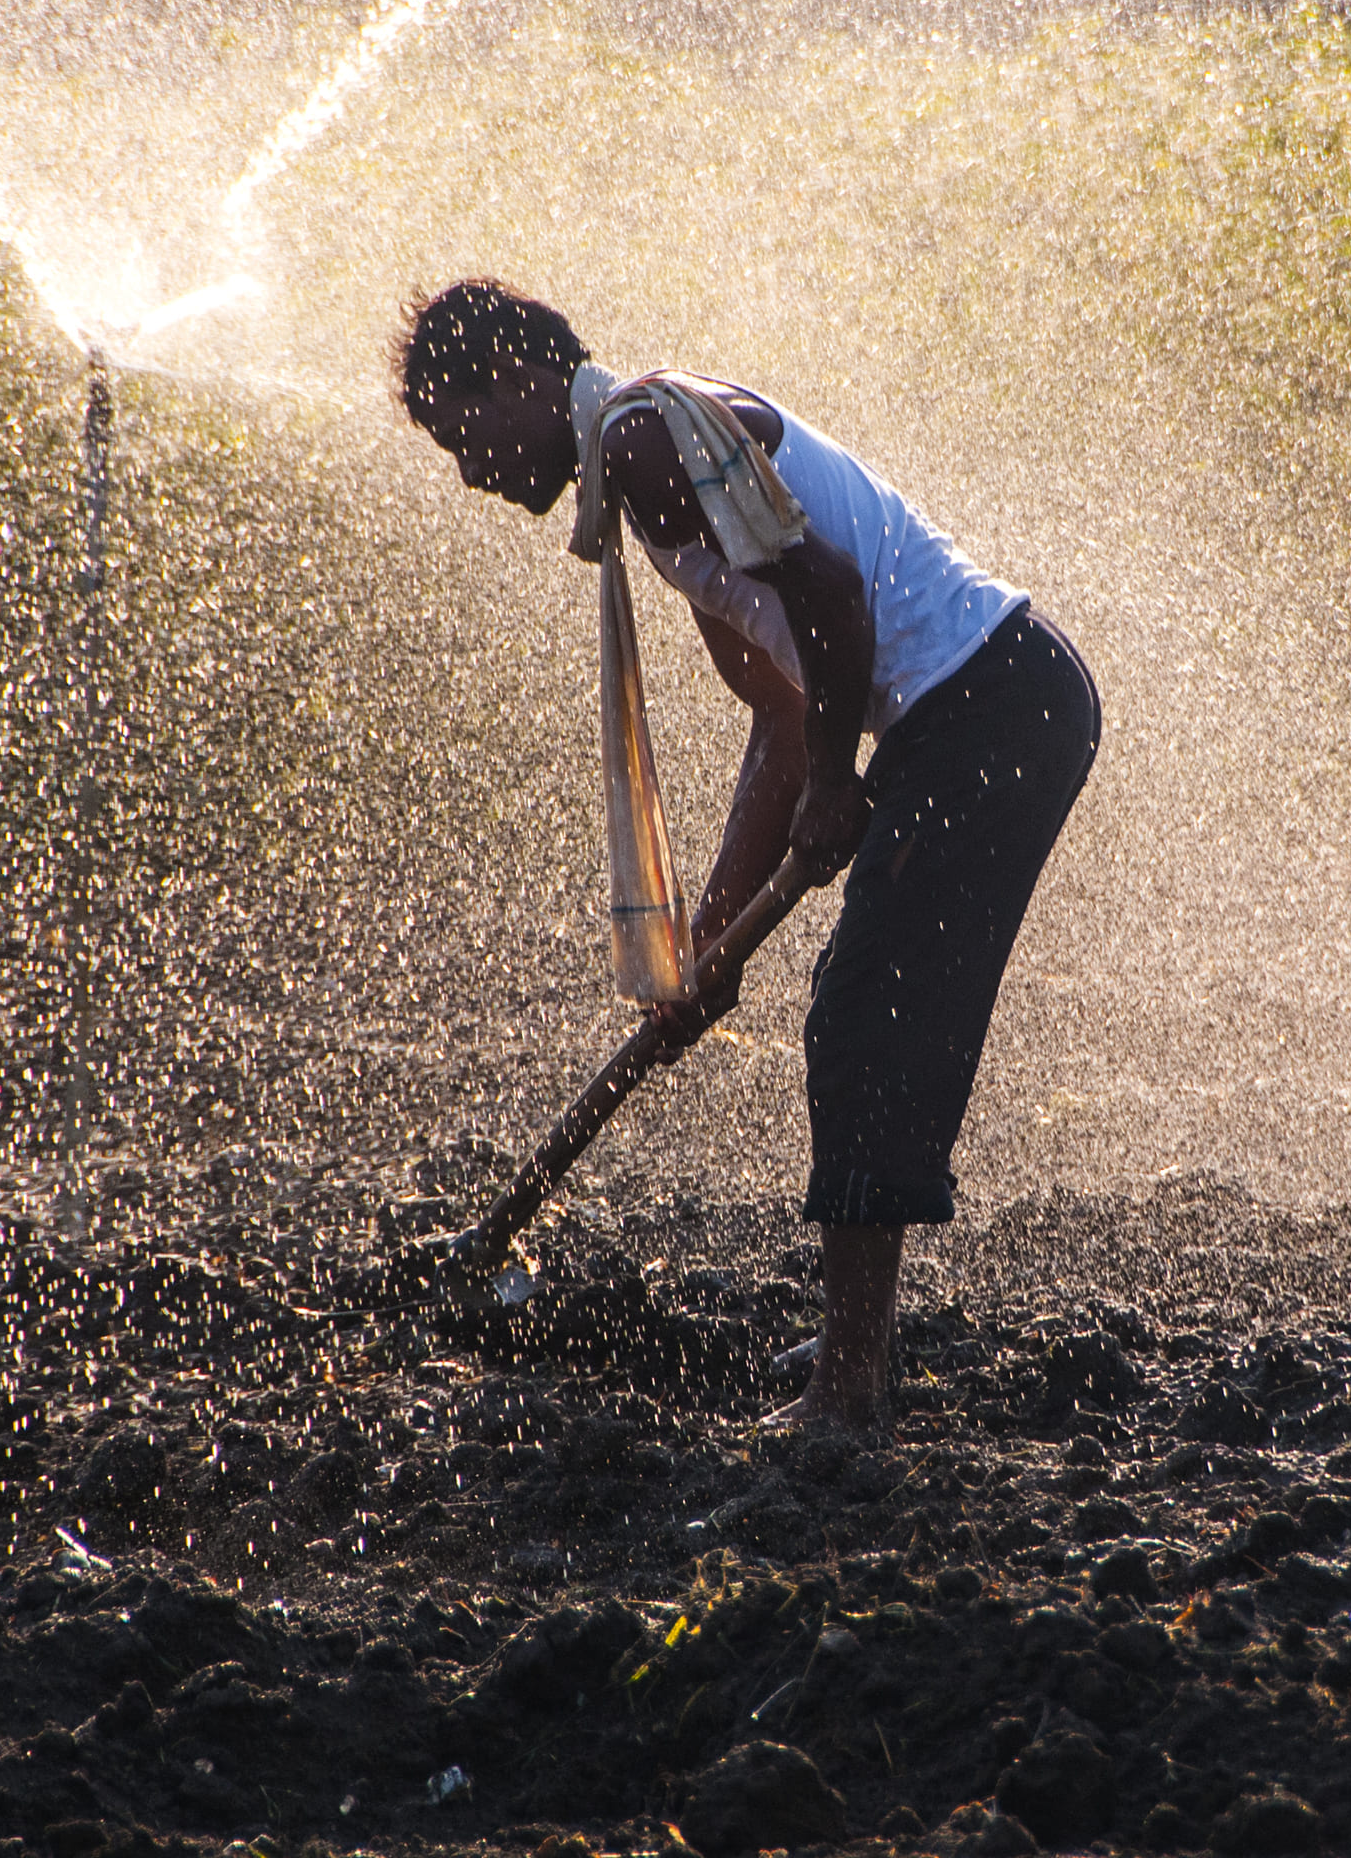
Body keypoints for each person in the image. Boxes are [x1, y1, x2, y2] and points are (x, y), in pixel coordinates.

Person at [396, 279, 1099, 1431]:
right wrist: (706, 947)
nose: (469, 473)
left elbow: (829, 596)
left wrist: (837, 780)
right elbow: (777, 715)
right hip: (981, 707)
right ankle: (854, 1344)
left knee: (867, 1013)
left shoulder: (643, 442)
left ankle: (852, 1383)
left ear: (519, 381)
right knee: (865, 1007)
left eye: (460, 435)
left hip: (989, 708)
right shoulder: (653, 457)